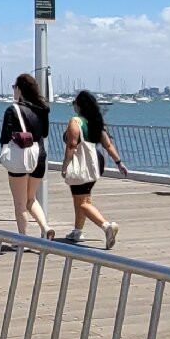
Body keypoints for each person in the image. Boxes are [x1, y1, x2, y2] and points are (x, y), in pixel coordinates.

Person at [61, 90, 129, 249]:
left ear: (79, 106)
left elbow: (71, 146)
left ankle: (106, 226)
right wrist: (119, 162)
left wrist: (65, 166)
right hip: (96, 163)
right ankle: (77, 231)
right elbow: (108, 145)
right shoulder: (96, 122)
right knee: (83, 199)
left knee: (82, 202)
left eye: (74, 103)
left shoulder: (75, 121)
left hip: (81, 164)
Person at [0, 73, 56, 241]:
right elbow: (44, 133)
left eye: (14, 87)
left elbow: (4, 137)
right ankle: (45, 227)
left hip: (21, 158)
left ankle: (22, 240)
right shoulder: (43, 109)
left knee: (20, 203)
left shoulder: (13, 110)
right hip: (39, 156)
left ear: (19, 89)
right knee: (31, 198)